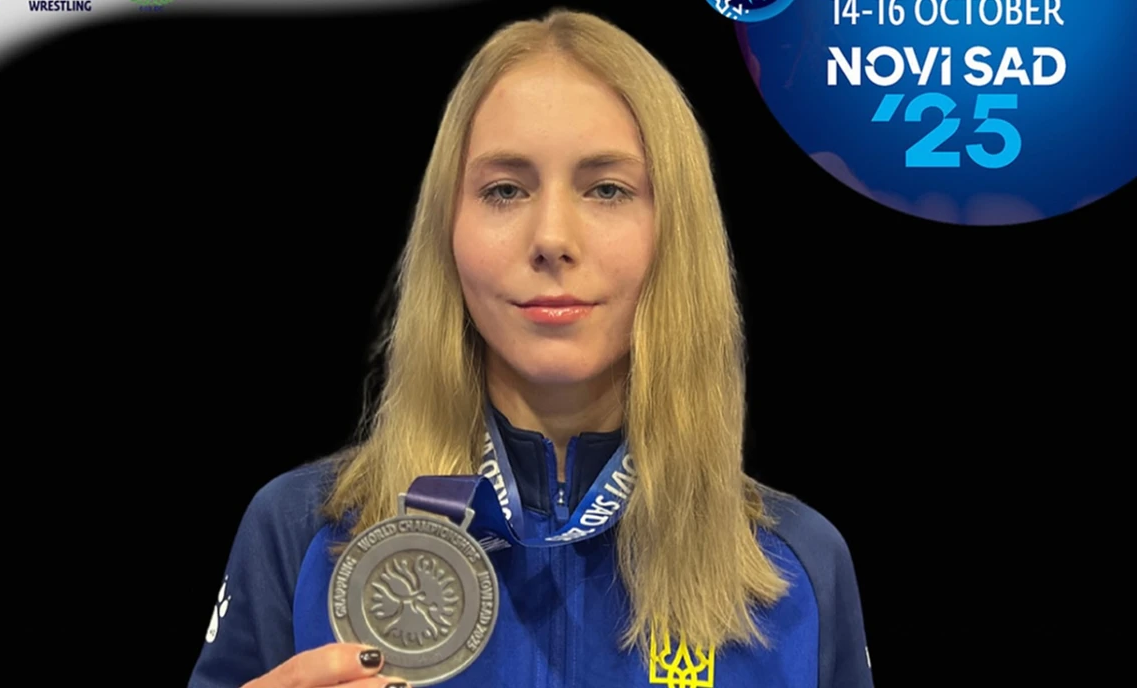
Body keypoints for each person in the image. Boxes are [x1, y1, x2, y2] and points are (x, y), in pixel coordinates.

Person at [188, 9, 873, 688]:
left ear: (675, 233)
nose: (551, 238)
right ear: (448, 232)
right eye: (505, 190)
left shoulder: (799, 567)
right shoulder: (300, 533)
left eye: (607, 189)